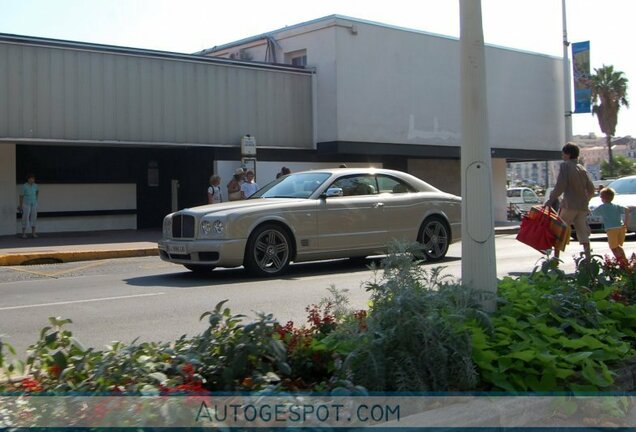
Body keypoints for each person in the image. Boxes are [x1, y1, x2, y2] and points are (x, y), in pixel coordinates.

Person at [546, 143, 595, 261]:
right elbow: (591, 190)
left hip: (569, 205)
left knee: (559, 231)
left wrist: (550, 200)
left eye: (563, 154)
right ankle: (588, 259)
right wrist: (585, 201)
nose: (562, 156)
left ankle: (555, 260)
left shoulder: (565, 166)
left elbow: (560, 186)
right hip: (582, 206)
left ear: (567, 154)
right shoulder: (582, 168)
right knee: (583, 234)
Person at [592, 187, 630, 262]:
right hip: (620, 228)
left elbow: (593, 213)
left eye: (601, 196)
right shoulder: (616, 206)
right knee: (618, 247)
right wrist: (625, 223)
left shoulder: (602, 207)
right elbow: (627, 209)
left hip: (611, 229)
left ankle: (622, 263)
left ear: (603, 198)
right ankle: (625, 261)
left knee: (613, 247)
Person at [19, 173, 39, 239]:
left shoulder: (35, 185)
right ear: (28, 179)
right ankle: (23, 233)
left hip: (34, 203)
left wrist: (36, 201)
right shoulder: (24, 186)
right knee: (25, 218)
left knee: (34, 217)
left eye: (33, 179)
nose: (32, 180)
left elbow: (37, 192)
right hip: (26, 203)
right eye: (30, 179)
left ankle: (33, 233)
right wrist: (21, 205)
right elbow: (21, 196)